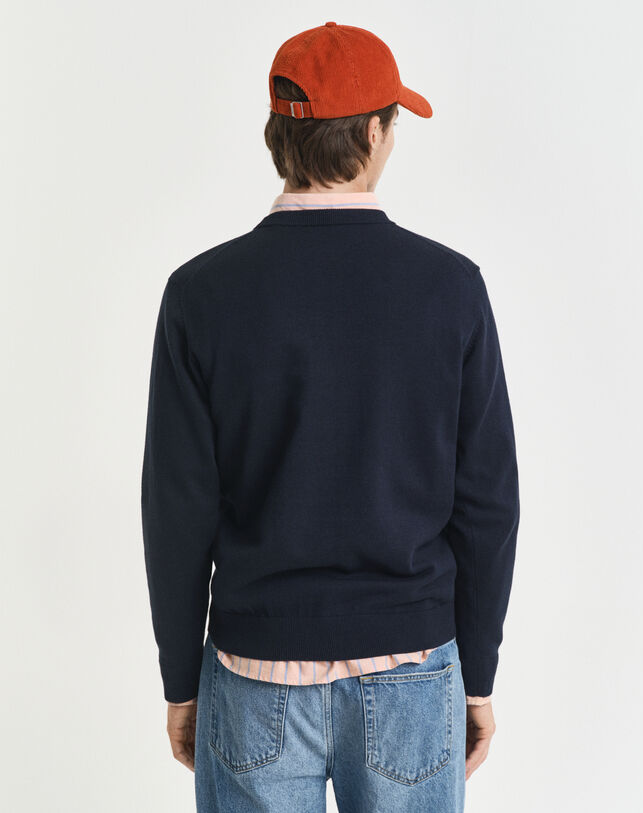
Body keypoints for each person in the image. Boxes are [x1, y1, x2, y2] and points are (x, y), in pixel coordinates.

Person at [141, 21, 520, 813]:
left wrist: (181, 679)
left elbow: (177, 509)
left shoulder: (199, 294)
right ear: (375, 133)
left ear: (277, 134)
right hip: (411, 665)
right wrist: (477, 677)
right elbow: (487, 502)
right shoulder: (450, 289)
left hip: (254, 667)